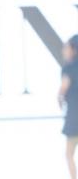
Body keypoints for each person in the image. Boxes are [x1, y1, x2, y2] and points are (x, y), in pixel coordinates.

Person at [61, 34, 78, 179]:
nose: (64, 50)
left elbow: (63, 87)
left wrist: (59, 99)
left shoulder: (69, 67)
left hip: (74, 118)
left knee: (69, 154)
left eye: (66, 47)